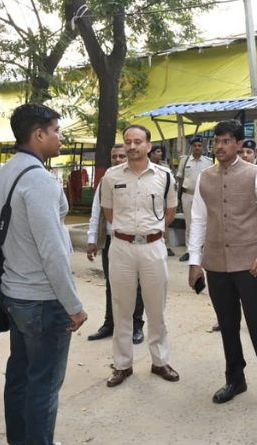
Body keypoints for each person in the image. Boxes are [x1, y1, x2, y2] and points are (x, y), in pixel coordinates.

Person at [0, 104, 88, 445]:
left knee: (20, 377)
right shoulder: (40, 181)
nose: (61, 137)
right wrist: (74, 305)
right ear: (39, 134)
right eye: (57, 130)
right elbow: (52, 253)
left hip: (15, 294)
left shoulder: (5, 173)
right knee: (44, 385)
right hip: (43, 299)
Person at [187, 119, 257, 414]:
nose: (219, 147)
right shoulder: (205, 176)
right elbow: (199, 221)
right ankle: (235, 380)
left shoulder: (256, 174)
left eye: (227, 141)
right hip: (216, 263)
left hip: (250, 263)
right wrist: (194, 262)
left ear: (240, 144)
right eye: (216, 141)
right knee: (227, 325)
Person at [101, 124, 180, 387]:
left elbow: (170, 210)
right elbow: (109, 213)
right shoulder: (111, 177)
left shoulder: (164, 176)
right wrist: (129, 234)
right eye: (127, 142)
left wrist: (149, 233)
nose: (132, 146)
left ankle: (160, 362)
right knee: (121, 308)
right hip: (121, 247)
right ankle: (123, 365)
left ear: (148, 145)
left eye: (138, 142)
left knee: (156, 308)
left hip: (153, 247)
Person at [86, 143, 145, 344]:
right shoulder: (106, 181)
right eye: (114, 157)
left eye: (121, 156)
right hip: (112, 241)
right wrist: (92, 240)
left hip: (134, 242)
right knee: (111, 284)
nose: (118, 160)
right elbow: (96, 212)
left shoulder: (136, 179)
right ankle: (109, 323)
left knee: (136, 285)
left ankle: (137, 325)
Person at [176, 135, 213, 262]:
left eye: (199, 145)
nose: (197, 148)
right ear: (191, 147)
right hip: (188, 195)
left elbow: (212, 180)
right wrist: (178, 196)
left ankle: (203, 250)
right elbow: (179, 179)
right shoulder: (185, 161)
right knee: (189, 223)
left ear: (202, 147)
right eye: (194, 145)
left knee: (204, 223)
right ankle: (189, 251)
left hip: (203, 196)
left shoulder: (208, 162)